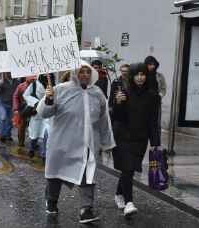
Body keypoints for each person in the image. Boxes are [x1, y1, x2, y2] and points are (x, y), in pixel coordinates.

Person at [37, 61, 115, 224]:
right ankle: (51, 201)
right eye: (81, 71)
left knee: (88, 174)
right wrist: (49, 100)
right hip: (62, 143)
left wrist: (107, 143)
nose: (85, 74)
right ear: (75, 73)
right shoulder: (60, 89)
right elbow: (44, 113)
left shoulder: (97, 93)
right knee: (55, 175)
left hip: (87, 144)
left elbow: (104, 120)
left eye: (88, 71)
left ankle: (86, 209)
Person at [111, 63, 161, 217]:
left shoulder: (153, 96)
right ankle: (129, 202)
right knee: (128, 168)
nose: (140, 77)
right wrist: (118, 103)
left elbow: (153, 121)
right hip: (123, 137)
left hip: (140, 139)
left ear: (147, 76)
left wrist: (155, 143)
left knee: (129, 169)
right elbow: (117, 117)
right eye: (137, 74)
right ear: (132, 76)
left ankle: (119, 194)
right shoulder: (123, 92)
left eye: (143, 74)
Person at [23, 74, 53, 159]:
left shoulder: (52, 85)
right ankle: (32, 149)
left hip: (46, 113)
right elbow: (26, 95)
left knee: (45, 134)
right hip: (36, 112)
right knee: (34, 133)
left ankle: (43, 154)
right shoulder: (35, 84)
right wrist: (35, 102)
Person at [12, 76, 36, 147]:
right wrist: (16, 108)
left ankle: (33, 143)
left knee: (34, 127)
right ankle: (21, 142)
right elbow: (15, 97)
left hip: (34, 109)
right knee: (21, 127)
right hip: (23, 109)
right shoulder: (21, 86)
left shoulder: (37, 86)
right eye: (30, 77)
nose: (31, 78)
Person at [145, 56, 166, 131]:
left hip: (156, 102)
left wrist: (159, 96)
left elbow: (163, 88)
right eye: (150, 64)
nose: (152, 66)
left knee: (156, 123)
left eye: (154, 64)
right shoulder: (142, 75)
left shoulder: (160, 76)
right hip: (145, 102)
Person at [0, 72, 19, 142]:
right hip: (2, 103)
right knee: (3, 118)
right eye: (7, 73)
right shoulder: (1, 81)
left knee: (10, 120)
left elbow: (18, 92)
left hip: (12, 103)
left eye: (10, 73)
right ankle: (2, 135)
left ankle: (8, 135)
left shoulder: (16, 81)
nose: (8, 74)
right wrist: (1, 83)